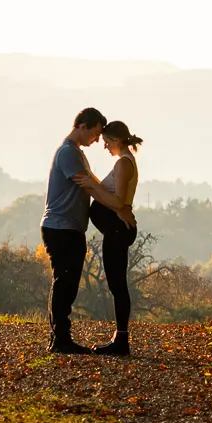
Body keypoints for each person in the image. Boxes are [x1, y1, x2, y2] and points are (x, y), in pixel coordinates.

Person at [73, 118, 141, 357]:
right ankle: (120, 338)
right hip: (115, 228)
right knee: (116, 284)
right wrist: (92, 181)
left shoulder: (123, 163)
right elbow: (114, 197)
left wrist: (93, 186)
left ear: (116, 140)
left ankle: (121, 341)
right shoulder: (123, 162)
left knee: (117, 285)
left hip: (117, 230)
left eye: (106, 142)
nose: (104, 146)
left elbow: (117, 201)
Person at [40, 105, 106, 352]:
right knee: (65, 281)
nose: (97, 139)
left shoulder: (75, 152)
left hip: (67, 227)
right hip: (61, 228)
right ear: (82, 126)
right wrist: (116, 204)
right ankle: (61, 339)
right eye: (95, 133)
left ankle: (60, 337)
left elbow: (92, 181)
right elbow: (88, 185)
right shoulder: (68, 153)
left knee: (66, 281)